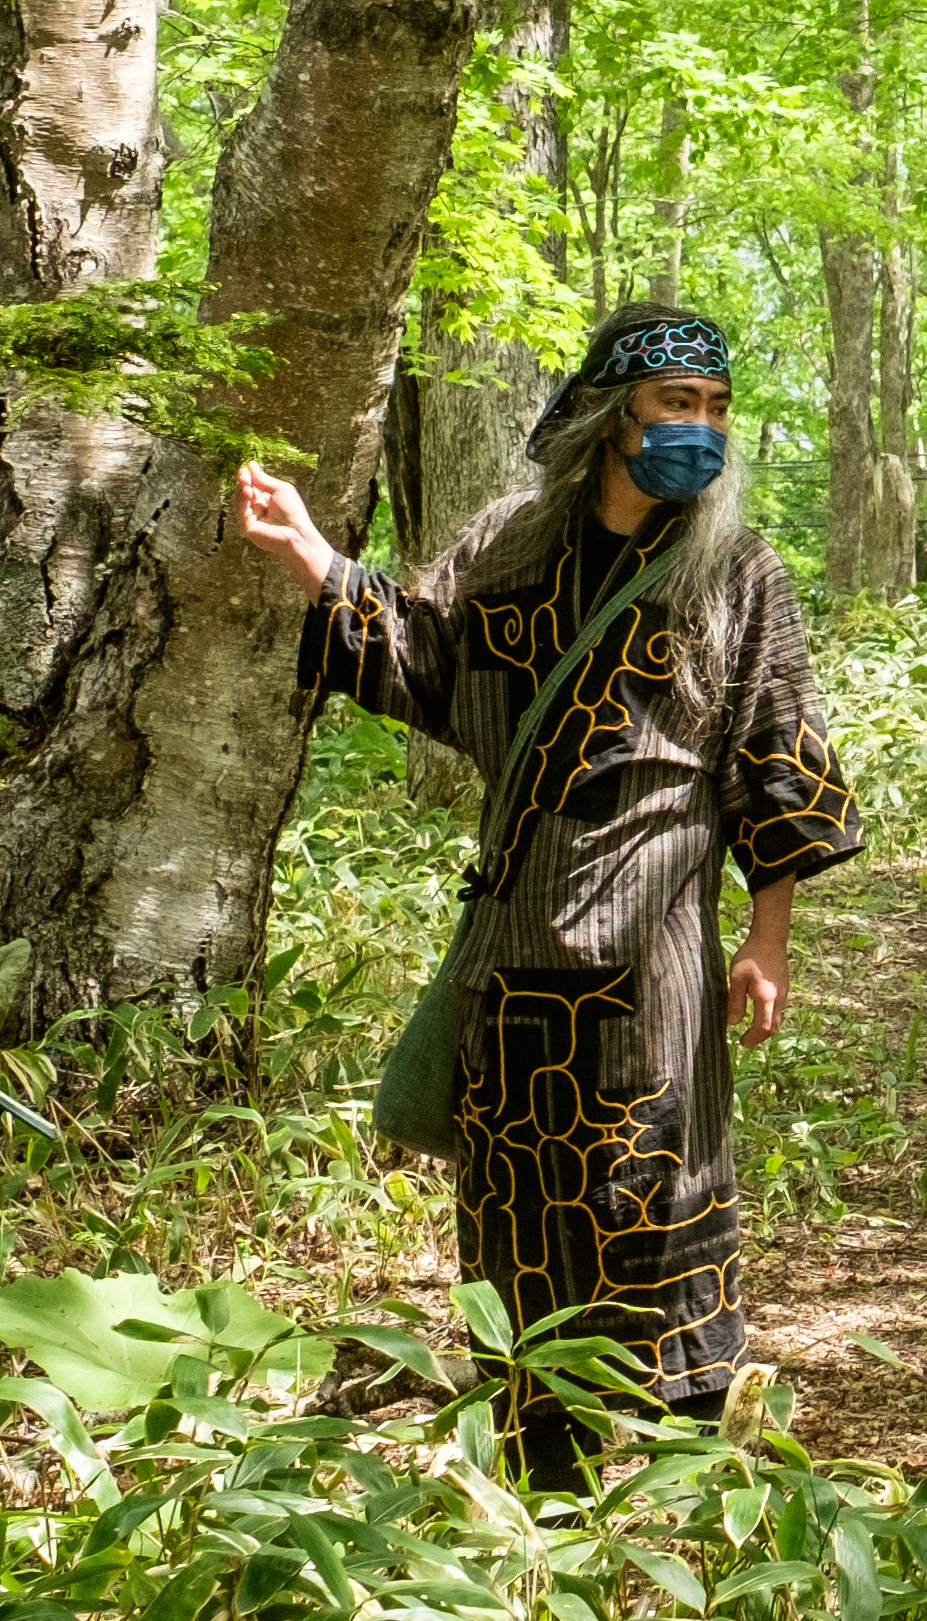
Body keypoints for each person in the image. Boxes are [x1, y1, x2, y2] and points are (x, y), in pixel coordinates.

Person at [235, 304, 862, 1488]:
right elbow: (418, 658)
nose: (702, 428)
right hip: (514, 952)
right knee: (520, 1219)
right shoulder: (509, 545)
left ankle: (696, 1494)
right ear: (611, 413)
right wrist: (306, 555)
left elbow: (777, 756)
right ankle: (543, 1489)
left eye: (718, 408)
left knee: (657, 1205)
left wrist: (766, 941)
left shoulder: (735, 570)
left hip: (656, 956)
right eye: (680, 404)